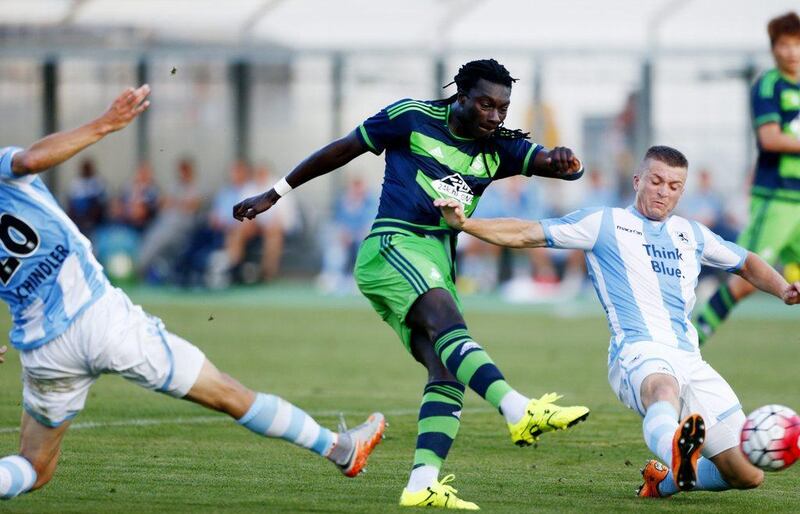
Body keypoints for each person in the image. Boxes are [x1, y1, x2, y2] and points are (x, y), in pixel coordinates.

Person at [233, 58, 590, 510]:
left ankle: (421, 483)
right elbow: (342, 149)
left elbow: (556, 165)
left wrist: (564, 162)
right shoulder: (411, 117)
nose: (495, 116)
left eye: (503, 107)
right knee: (448, 323)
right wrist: (274, 193)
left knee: (447, 370)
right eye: (485, 104)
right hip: (393, 247)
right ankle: (519, 409)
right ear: (460, 96)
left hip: (436, 260)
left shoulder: (497, 149)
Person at [0, 85, 385, 500]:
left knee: (35, 467)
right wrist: (104, 124)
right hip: (102, 319)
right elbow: (29, 160)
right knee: (227, 393)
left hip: (43, 348)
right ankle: (339, 448)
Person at [434, 145, 800, 499]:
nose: (663, 192)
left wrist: (784, 289)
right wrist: (466, 224)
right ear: (638, 179)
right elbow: (528, 232)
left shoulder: (693, 234)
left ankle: (665, 481)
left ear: (681, 191)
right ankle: (674, 448)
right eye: (656, 181)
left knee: (746, 475)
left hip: (691, 359)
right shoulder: (604, 223)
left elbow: (747, 262)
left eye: (674, 186)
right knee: (663, 389)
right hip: (637, 351)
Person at [695, 11, 800, 345]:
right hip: (777, 201)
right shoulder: (769, 85)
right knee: (745, 281)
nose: (792, 52)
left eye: (797, 45)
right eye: (784, 45)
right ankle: (689, 343)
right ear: (774, 49)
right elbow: (770, 138)